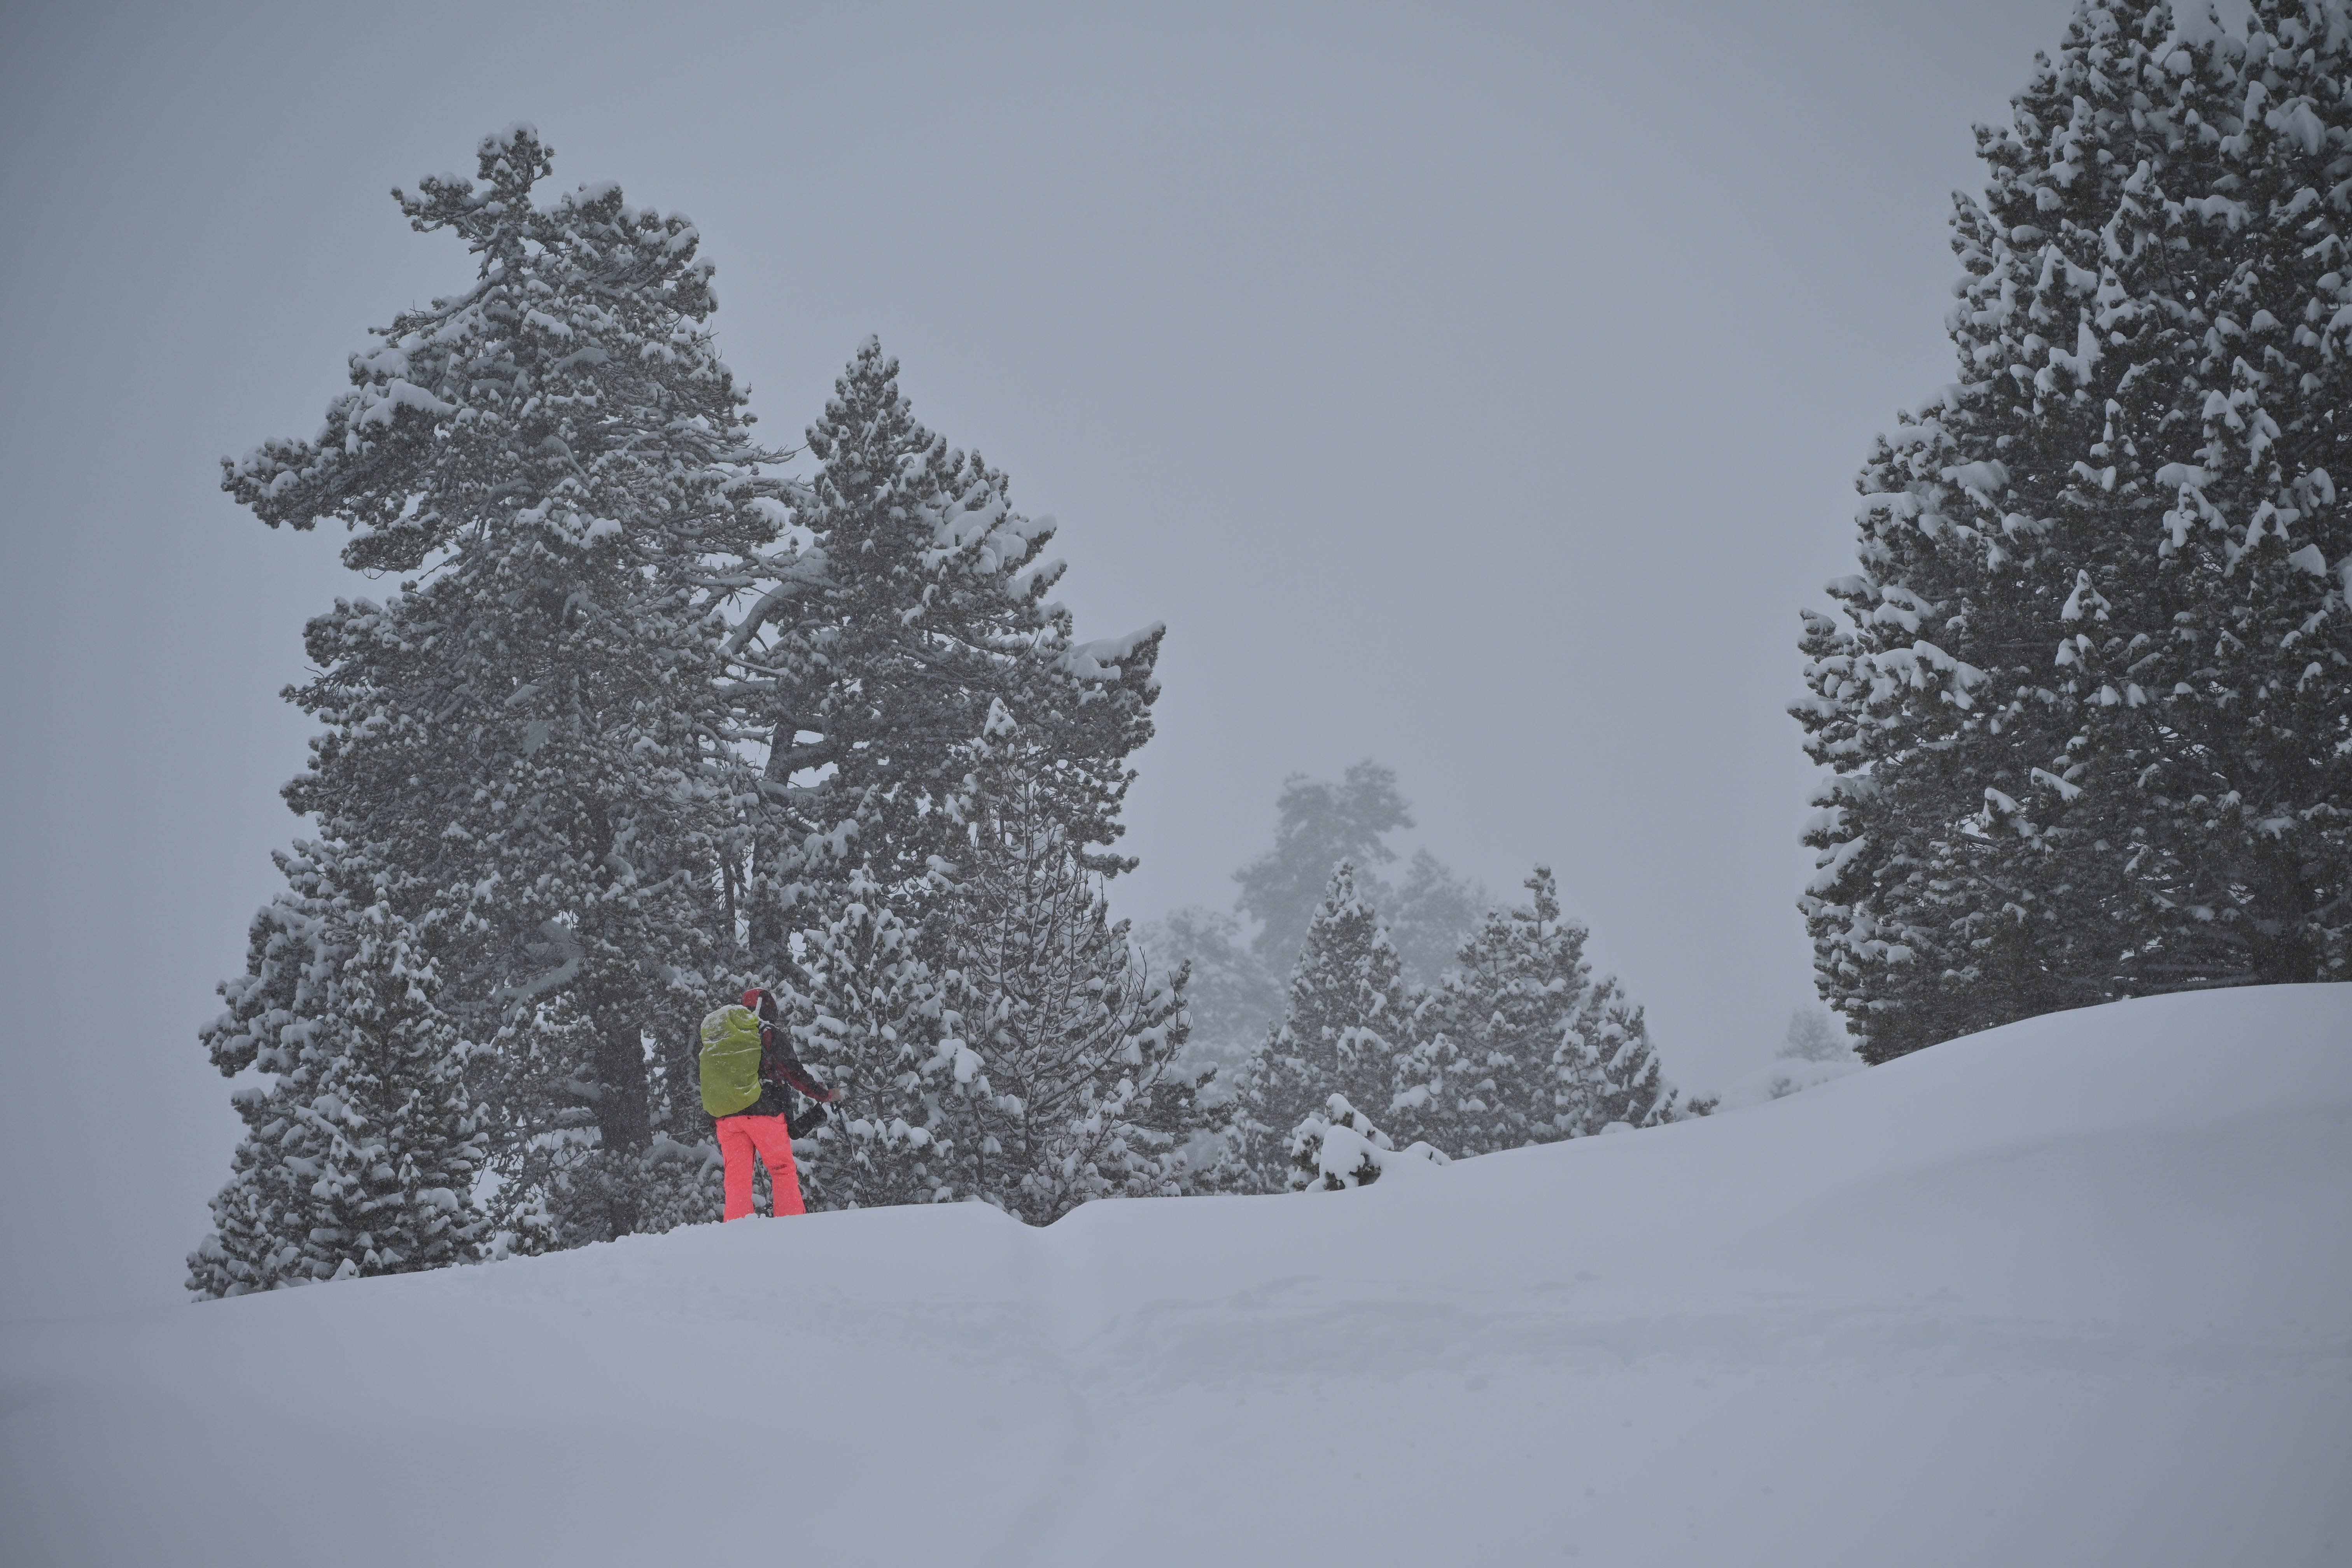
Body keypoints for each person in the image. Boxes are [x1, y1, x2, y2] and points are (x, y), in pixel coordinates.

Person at [716, 987, 840, 1221]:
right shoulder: (767, 1033)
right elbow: (793, 1072)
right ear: (770, 1009)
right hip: (764, 1112)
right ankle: (790, 1227)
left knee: (737, 1179)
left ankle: (734, 1233)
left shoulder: (727, 1036)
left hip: (728, 1117)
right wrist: (823, 1094)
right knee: (782, 1170)